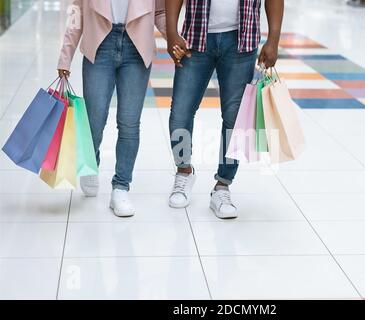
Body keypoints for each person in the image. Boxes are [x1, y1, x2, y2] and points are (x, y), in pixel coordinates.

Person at [166, 0, 284, 219]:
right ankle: (183, 171)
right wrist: (172, 31)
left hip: (241, 41)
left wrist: (273, 39)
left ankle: (222, 185)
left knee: (234, 119)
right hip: (195, 39)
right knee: (180, 113)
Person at [57, 0, 166, 217]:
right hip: (100, 44)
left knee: (129, 123)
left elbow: (160, 12)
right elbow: (76, 13)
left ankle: (121, 187)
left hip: (137, 47)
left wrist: (176, 40)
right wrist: (65, 56)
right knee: (94, 119)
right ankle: (91, 161)